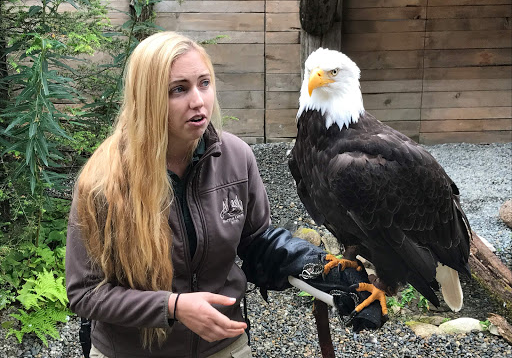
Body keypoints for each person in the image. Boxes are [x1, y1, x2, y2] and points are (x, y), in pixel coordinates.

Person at [66, 31, 336, 358]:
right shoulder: (103, 181)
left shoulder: (236, 157)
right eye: (178, 89)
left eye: (204, 83)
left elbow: (256, 241)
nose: (198, 100)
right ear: (146, 97)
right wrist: (173, 306)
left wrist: (316, 266)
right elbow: (85, 293)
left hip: (222, 345)